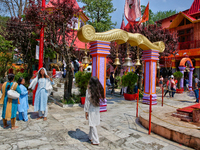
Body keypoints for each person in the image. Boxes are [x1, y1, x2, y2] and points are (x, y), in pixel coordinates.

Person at [84, 76, 105, 145]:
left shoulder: (89, 90)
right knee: (92, 122)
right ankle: (90, 136)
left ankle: (96, 140)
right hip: (96, 108)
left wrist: (86, 111)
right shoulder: (99, 89)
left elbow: (87, 102)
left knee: (93, 124)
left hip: (91, 108)